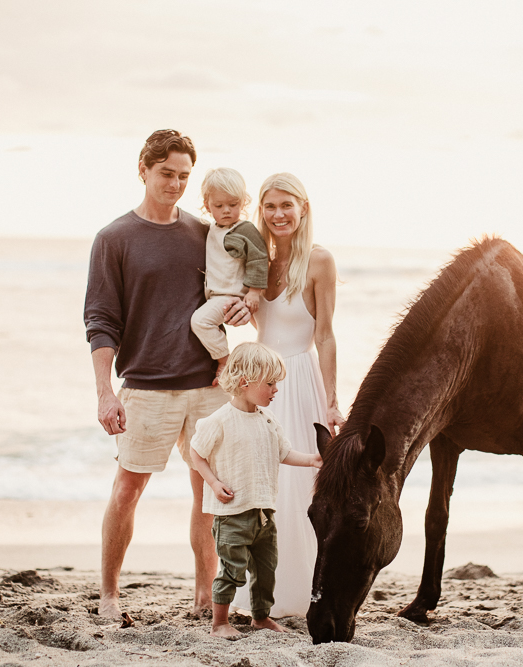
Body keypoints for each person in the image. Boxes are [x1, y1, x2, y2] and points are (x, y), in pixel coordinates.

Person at [83, 129, 249, 619]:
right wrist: (104, 392)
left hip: (208, 387)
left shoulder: (205, 234)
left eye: (183, 176)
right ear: (143, 169)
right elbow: (100, 320)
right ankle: (110, 594)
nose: (175, 184)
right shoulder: (114, 239)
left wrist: (241, 308)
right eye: (166, 174)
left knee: (210, 495)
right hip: (146, 388)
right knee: (128, 489)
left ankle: (204, 596)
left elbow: (229, 289)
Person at [231, 172, 345, 618]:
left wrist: (332, 400)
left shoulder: (319, 261)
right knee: (259, 483)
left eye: (286, 205)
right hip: (257, 383)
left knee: (301, 487)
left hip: (298, 380)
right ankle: (256, 593)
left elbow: (327, 335)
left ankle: (300, 595)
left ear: (303, 208)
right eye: (269, 206)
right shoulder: (255, 260)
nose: (278, 215)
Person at [190, 342, 323, 638]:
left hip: (264, 513)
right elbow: (196, 453)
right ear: (244, 382)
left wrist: (312, 460)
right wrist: (213, 482)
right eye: (271, 383)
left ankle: (260, 617)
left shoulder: (268, 420)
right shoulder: (220, 420)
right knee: (231, 570)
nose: (276, 390)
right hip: (232, 514)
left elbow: (283, 452)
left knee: (265, 571)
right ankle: (219, 623)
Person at [190, 168, 268, 384]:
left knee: (200, 322)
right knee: (204, 321)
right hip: (214, 295)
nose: (226, 211)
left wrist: (254, 291)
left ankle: (225, 360)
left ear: (243, 202)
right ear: (207, 206)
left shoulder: (244, 230)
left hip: (230, 296)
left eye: (233, 205)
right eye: (219, 205)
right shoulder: (212, 229)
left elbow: (259, 257)